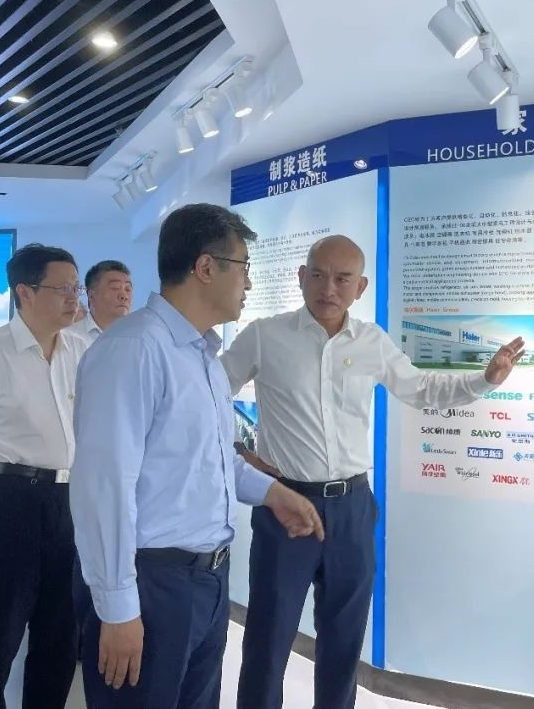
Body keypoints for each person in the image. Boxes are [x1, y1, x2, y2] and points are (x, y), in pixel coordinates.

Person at [222, 235, 525, 709]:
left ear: (360, 287)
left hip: (353, 508)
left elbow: (420, 388)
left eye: (342, 279)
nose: (329, 288)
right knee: (268, 637)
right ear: (301, 277)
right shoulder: (264, 335)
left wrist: (483, 381)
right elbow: (207, 394)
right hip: (286, 506)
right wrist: (238, 451)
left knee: (344, 640)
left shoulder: (371, 341)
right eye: (318, 275)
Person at [71, 203, 325, 708]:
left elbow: (211, 459)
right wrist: (118, 608)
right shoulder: (134, 350)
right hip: (151, 583)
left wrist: (274, 493)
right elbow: (103, 486)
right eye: (244, 267)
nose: (249, 283)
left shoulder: (202, 357)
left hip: (206, 581)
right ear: (206, 267)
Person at [0, 243, 88, 708]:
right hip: (8, 501)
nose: (73, 297)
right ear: (25, 292)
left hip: (70, 503)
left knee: (60, 637)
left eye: (76, 287)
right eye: (62, 288)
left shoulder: (82, 352)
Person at [68, 260, 133, 347]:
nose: (124, 296)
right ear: (91, 296)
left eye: (128, 289)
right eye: (115, 287)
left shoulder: (136, 339)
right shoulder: (70, 334)